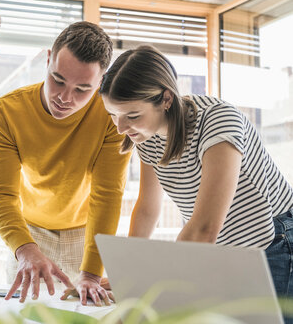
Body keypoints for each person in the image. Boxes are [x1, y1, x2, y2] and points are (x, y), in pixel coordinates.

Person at [99, 45, 293, 322]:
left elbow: (204, 228)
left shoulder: (218, 120)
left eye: (132, 115)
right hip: (223, 245)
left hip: (275, 239)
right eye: (113, 115)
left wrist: (148, 293)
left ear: (166, 99)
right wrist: (129, 277)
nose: (121, 128)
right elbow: (147, 209)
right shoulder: (147, 134)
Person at [0, 21, 131, 305]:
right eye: (58, 80)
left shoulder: (110, 116)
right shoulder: (8, 111)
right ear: (49, 58)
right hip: (28, 233)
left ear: (101, 81)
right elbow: (0, 195)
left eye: (82, 89)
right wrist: (25, 249)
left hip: (86, 236)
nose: (65, 98)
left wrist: (91, 272)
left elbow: (107, 195)